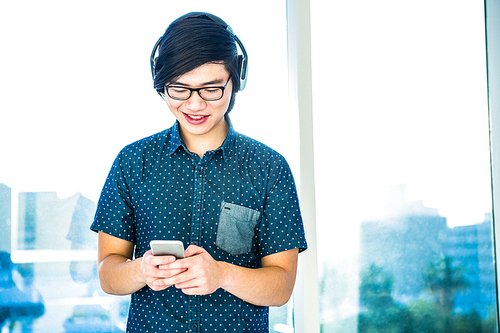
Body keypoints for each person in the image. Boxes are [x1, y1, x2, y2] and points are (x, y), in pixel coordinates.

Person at [91, 12, 307, 332]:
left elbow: (282, 286)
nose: (194, 104)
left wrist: (223, 275)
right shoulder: (131, 162)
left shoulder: (269, 168)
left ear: (237, 80)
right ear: (160, 84)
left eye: (211, 88)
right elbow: (109, 273)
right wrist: (141, 271)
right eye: (179, 88)